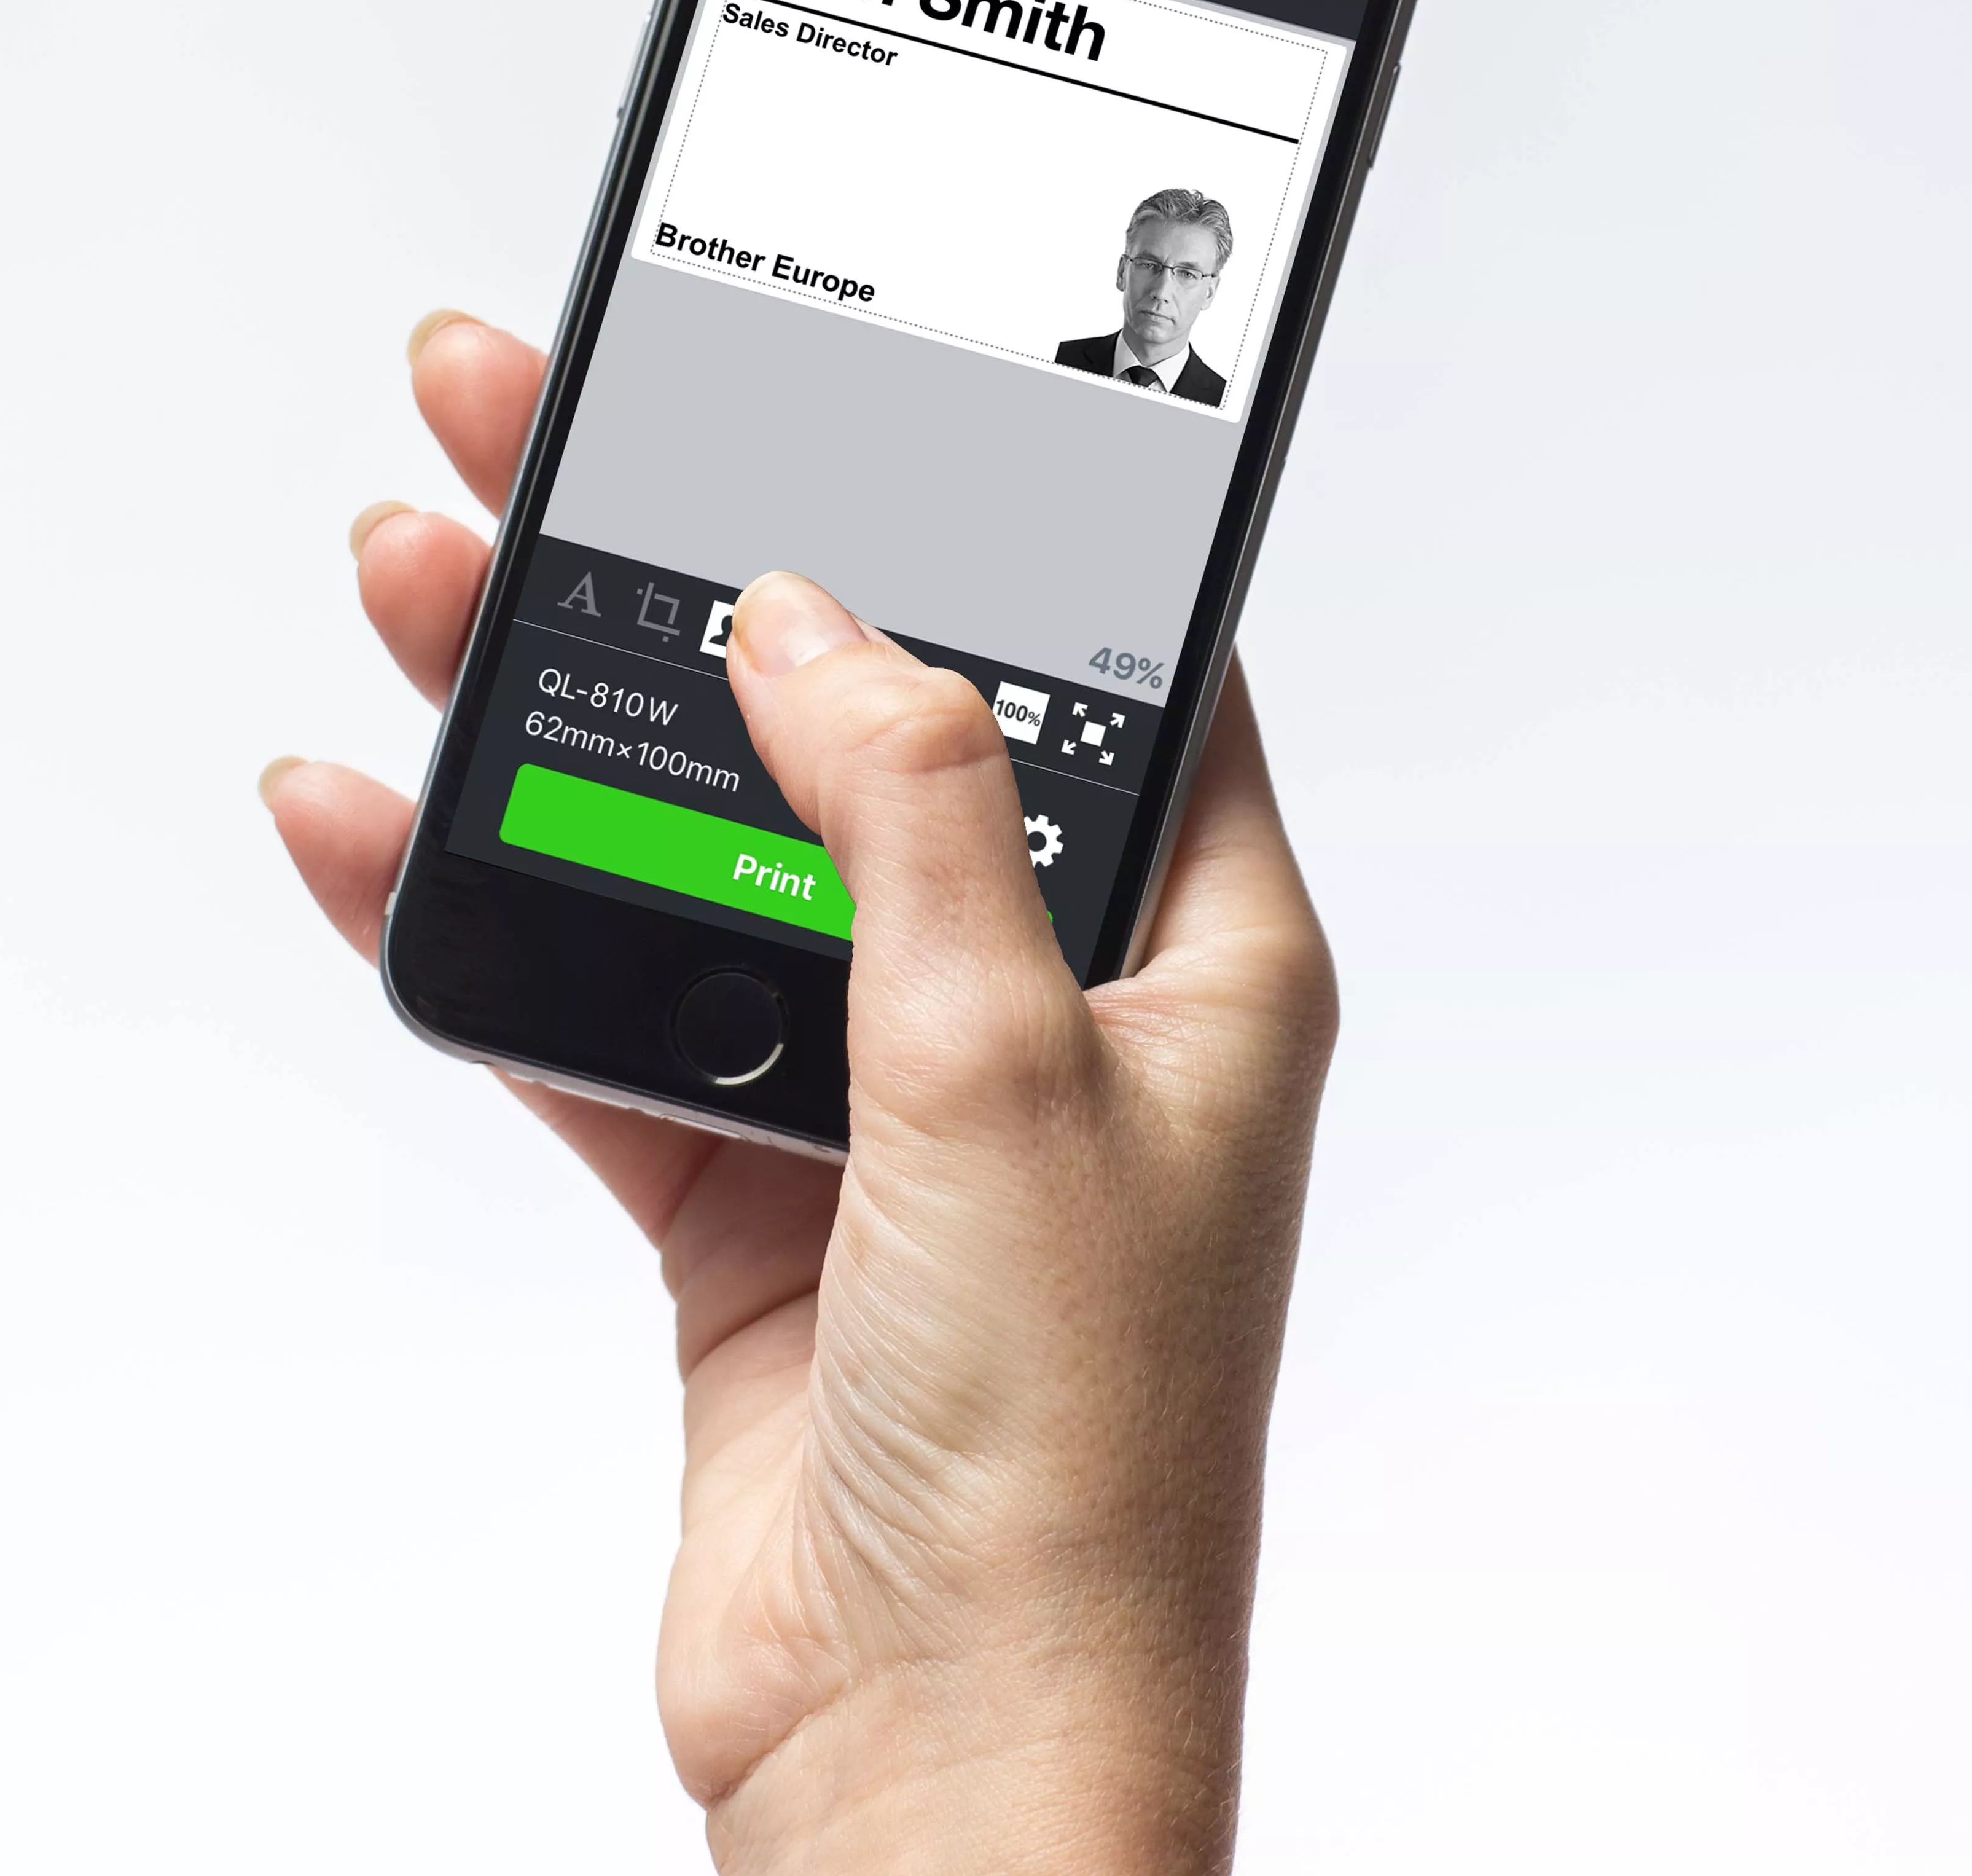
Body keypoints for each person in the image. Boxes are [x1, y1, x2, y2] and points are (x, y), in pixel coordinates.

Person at [262, 308, 1336, 1874]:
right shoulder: (1070, 351)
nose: (1164, 291)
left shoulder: (1153, 413)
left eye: (1193, 267)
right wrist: (959, 1748)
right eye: (1148, 262)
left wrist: (945, 1734)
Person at [1056, 188, 1234, 405]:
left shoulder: (1228, 403)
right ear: (1122, 272)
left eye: (1187, 274)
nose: (1161, 292)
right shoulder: (1055, 358)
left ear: (1210, 292)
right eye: (1148, 265)